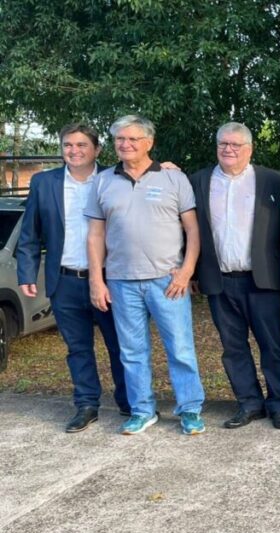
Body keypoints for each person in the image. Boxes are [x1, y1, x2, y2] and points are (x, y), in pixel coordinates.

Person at [85, 115, 205, 435]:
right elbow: (95, 236)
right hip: (122, 281)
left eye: (132, 139)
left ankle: (190, 409)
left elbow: (193, 231)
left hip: (168, 280)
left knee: (179, 347)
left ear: (148, 143)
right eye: (120, 139)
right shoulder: (103, 181)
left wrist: (187, 271)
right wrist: (97, 280)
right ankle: (142, 410)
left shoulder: (173, 179)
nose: (125, 145)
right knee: (132, 350)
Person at [16, 123, 130, 432]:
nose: (74, 151)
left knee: (120, 345)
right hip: (63, 281)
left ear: (97, 149)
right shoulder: (44, 182)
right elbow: (30, 233)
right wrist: (26, 271)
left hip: (108, 280)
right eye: (68, 145)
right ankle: (86, 404)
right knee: (78, 348)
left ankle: (127, 401)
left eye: (81, 145)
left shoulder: (114, 179)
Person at [190, 122, 280, 430]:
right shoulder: (199, 180)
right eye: (223, 144)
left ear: (249, 149)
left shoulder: (273, 180)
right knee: (233, 347)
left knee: (271, 345)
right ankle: (249, 403)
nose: (228, 149)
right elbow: (188, 229)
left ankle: (279, 405)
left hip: (261, 280)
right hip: (219, 280)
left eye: (235, 145)